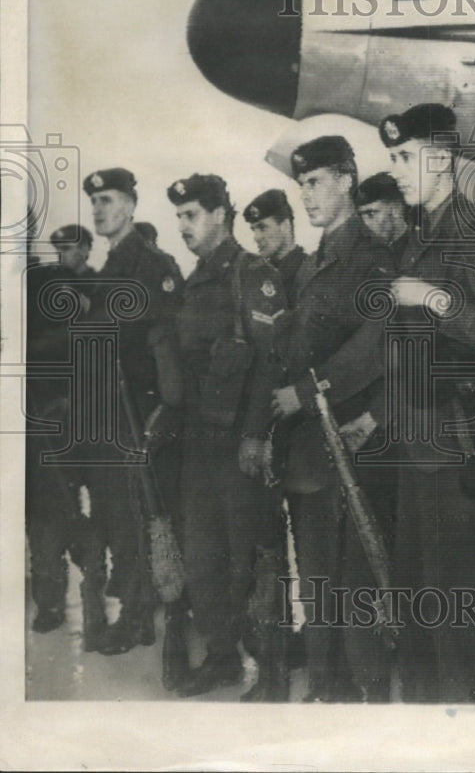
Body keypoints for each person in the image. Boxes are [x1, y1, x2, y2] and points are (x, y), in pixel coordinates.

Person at [379, 102, 475, 703]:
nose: (397, 169)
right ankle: (434, 714)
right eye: (392, 157)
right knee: (417, 584)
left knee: (459, 586)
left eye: (405, 156)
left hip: (458, 440)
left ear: (441, 158)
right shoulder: (420, 236)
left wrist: (434, 298)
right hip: (416, 437)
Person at [269, 135, 396, 702]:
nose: (306, 195)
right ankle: (325, 686)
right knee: (317, 577)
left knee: (355, 579)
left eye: (315, 182)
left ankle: (362, 695)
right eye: (300, 185)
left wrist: (306, 390)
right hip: (308, 449)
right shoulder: (311, 264)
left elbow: (377, 346)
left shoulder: (372, 260)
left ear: (346, 180)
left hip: (350, 443)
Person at [167, 173, 288, 697]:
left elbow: (269, 362)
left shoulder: (253, 273)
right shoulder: (195, 280)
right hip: (199, 441)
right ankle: (221, 657)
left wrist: (256, 437)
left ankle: (272, 666)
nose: (183, 226)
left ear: (220, 214)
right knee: (203, 554)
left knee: (251, 557)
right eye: (178, 217)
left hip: (239, 441)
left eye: (191, 215)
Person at [82, 168, 186, 657]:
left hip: (141, 415)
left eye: (106, 200)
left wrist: (163, 415)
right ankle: (137, 610)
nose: (98, 210)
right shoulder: (107, 271)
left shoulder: (152, 265)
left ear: (129, 205)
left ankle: (143, 615)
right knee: (120, 515)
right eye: (95, 202)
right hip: (109, 414)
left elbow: (168, 348)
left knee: (144, 516)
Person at [24, 225, 98, 636]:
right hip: (41, 417)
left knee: (66, 509)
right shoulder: (37, 280)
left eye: (73, 247)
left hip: (70, 414)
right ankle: (51, 603)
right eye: (60, 249)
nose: (66, 254)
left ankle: (97, 587)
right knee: (46, 514)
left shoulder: (81, 287)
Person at [243, 188, 306, 302]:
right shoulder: (257, 274)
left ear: (285, 226)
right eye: (254, 229)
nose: (256, 237)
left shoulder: (309, 271)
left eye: (262, 227)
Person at [354, 171, 411, 265]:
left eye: (371, 214)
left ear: (395, 209)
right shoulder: (366, 254)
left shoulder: (421, 252)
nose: (365, 223)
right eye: (361, 216)